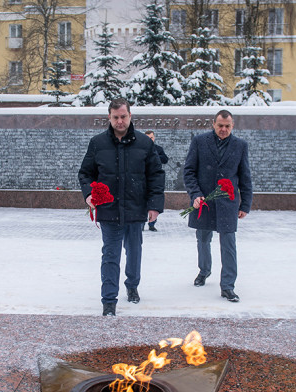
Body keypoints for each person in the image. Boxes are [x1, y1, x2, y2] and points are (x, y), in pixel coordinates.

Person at [78, 99, 165, 316]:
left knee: (134, 252)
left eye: (123, 116)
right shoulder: (98, 143)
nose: (120, 121)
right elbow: (85, 173)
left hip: (136, 209)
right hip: (109, 209)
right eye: (115, 117)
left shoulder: (145, 143)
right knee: (110, 255)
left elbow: (156, 175)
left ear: (130, 116)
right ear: (109, 117)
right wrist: (89, 193)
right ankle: (109, 300)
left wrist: (154, 205)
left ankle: (132, 285)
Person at [184, 110, 253, 303]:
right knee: (203, 239)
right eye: (220, 125)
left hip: (227, 204)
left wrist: (245, 204)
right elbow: (189, 171)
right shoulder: (199, 142)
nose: (223, 129)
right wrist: (196, 194)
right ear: (213, 124)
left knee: (229, 245)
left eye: (227, 126)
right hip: (204, 202)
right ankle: (204, 271)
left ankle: (228, 286)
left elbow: (245, 177)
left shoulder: (240, 146)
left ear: (232, 126)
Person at [144, 130, 168, 232]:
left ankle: (152, 223)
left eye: (152, 137)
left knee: (153, 202)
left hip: (154, 178)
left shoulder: (158, 149)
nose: (150, 139)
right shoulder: (140, 148)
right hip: (142, 178)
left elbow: (165, 159)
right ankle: (141, 224)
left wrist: (155, 156)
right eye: (148, 137)